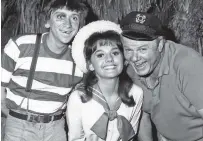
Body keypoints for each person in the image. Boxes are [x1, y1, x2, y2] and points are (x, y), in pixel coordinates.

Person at [1, 0, 89, 140]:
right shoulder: (21, 45)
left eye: (74, 18)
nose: (68, 24)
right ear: (47, 22)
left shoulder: (79, 59)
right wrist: (16, 118)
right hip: (19, 126)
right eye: (60, 16)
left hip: (56, 128)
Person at [120, 11, 203, 141]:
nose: (135, 58)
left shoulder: (188, 64)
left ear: (160, 44)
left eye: (142, 49)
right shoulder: (131, 71)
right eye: (128, 50)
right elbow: (143, 115)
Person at [66, 20, 143, 141]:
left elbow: (131, 135)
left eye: (115, 53)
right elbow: (76, 138)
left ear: (124, 59)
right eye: (100, 55)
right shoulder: (78, 98)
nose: (109, 59)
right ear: (90, 65)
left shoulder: (136, 93)